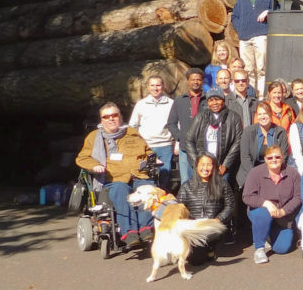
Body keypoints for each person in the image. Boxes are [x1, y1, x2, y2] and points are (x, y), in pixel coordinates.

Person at [76, 102, 156, 250]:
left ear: (120, 117)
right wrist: (94, 165)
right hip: (114, 179)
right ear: (101, 120)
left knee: (149, 189)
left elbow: (147, 150)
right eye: (106, 116)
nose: (111, 118)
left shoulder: (132, 132)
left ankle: (146, 229)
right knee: (121, 189)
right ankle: (129, 232)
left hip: (138, 175)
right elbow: (82, 158)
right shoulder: (94, 137)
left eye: (114, 115)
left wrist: (153, 158)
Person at [242, 144, 301, 264]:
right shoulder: (255, 172)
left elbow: (298, 197)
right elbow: (247, 196)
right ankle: (259, 248)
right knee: (263, 214)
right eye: (270, 158)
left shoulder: (292, 173)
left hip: (283, 217)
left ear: (283, 157)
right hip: (261, 212)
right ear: (265, 159)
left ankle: (268, 233)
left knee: (282, 248)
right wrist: (266, 203)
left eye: (277, 157)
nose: (274, 160)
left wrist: (283, 211)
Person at [178, 153, 236, 255]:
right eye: (202, 164)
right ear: (196, 166)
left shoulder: (222, 184)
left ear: (214, 167)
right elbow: (179, 207)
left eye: (209, 164)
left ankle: (210, 247)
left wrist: (219, 219)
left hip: (212, 225)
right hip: (193, 226)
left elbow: (230, 205)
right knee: (196, 260)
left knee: (208, 239)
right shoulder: (186, 186)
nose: (205, 168)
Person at [231, 0, 274, 97]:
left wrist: (268, 11)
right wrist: (241, 29)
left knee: (262, 68)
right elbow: (234, 17)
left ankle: (260, 96)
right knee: (247, 70)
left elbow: (277, 11)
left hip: (261, 35)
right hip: (245, 38)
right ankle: (249, 95)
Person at [184, 87, 242, 179]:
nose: (214, 103)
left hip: (222, 165)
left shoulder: (234, 117)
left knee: (221, 192)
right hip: (203, 165)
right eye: (211, 100)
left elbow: (238, 142)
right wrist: (197, 162)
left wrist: (225, 164)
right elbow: (189, 140)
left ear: (223, 100)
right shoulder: (201, 117)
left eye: (217, 99)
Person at [129, 75, 174, 188]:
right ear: (148, 87)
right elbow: (132, 126)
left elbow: (177, 124)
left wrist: (177, 143)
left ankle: (162, 201)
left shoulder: (171, 103)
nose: (155, 88)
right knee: (147, 176)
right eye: (152, 85)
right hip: (146, 146)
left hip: (165, 145)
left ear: (163, 86)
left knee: (165, 176)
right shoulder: (141, 104)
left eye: (158, 85)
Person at [165, 67, 206, 185]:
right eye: (193, 79)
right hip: (185, 148)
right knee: (186, 181)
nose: (196, 82)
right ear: (188, 81)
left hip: (204, 147)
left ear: (202, 81)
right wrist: (180, 136)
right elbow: (171, 123)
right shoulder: (179, 100)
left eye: (198, 79)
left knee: (203, 181)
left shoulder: (208, 99)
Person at [237, 102, 289, 189]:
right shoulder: (248, 131)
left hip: (274, 170)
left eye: (265, 113)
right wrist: (256, 175)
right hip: (251, 171)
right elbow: (245, 157)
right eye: (260, 114)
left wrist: (271, 173)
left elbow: (284, 155)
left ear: (270, 114)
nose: (262, 117)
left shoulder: (280, 132)